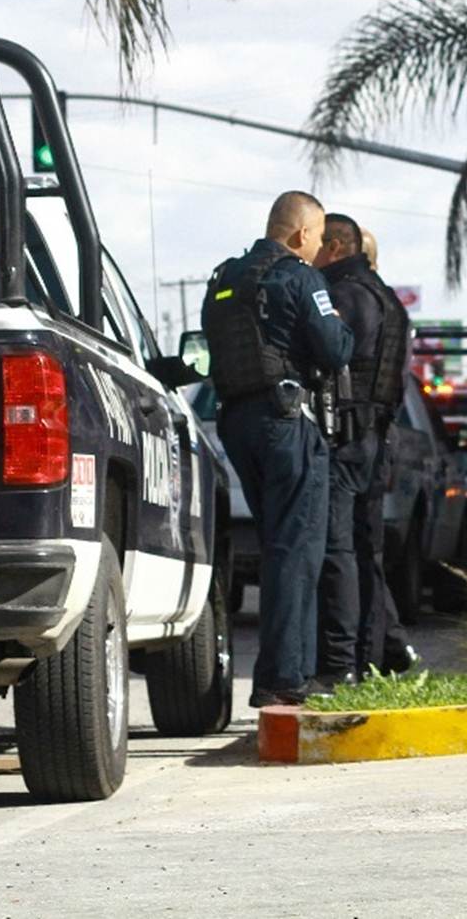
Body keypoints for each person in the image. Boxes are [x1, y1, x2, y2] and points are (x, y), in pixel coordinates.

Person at [204, 191, 353, 707]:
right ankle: (285, 679)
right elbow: (335, 348)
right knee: (298, 548)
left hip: (237, 422)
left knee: (278, 546)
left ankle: (285, 673)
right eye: (317, 236)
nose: (317, 247)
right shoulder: (300, 277)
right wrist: (340, 324)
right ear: (301, 234)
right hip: (287, 423)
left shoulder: (225, 277)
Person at [327, 220, 420, 677]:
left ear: (337, 246)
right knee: (367, 551)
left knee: (342, 550)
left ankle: (351, 659)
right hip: (378, 436)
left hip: (350, 438)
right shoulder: (389, 300)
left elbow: (332, 356)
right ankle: (380, 651)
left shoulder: (346, 295)